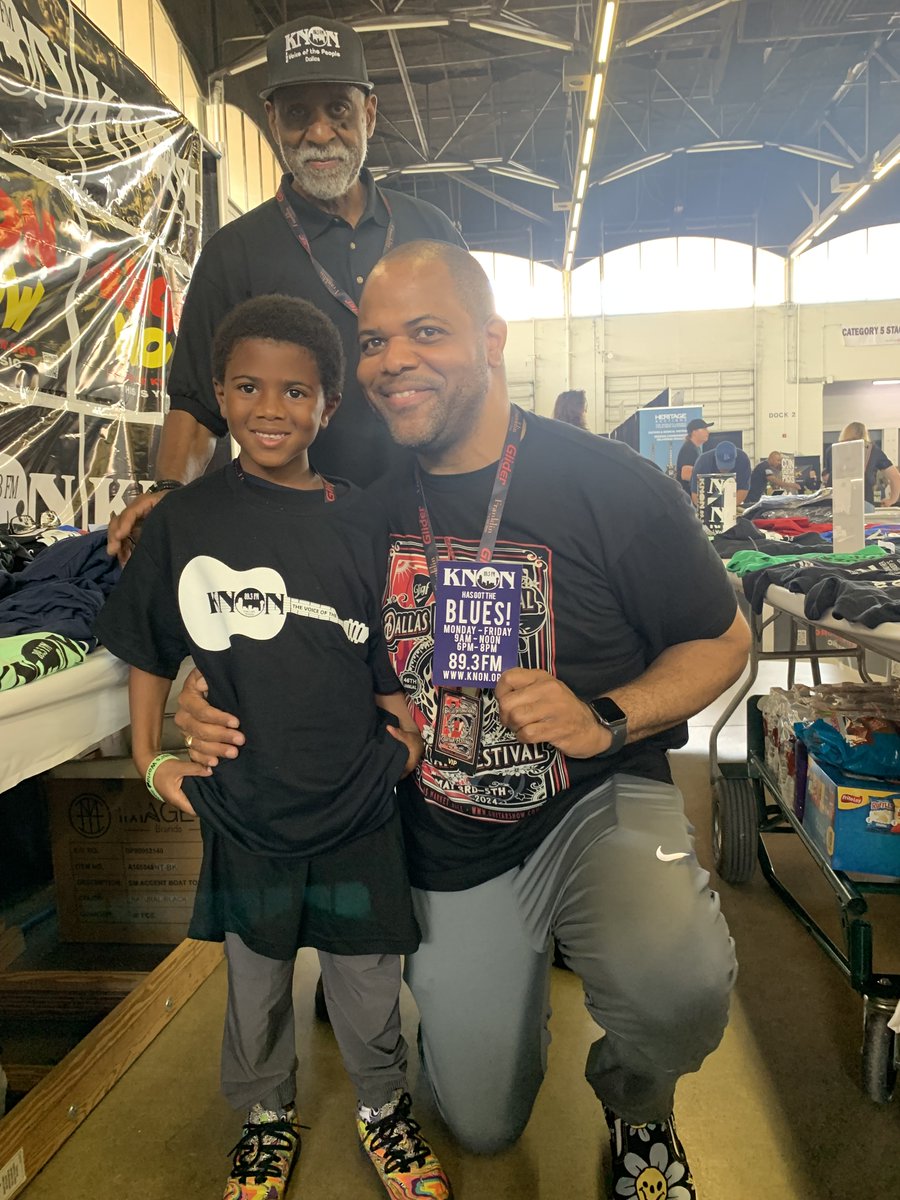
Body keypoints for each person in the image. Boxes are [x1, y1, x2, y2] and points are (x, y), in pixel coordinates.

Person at [176, 242, 750, 1198]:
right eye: (373, 341)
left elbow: (723, 642)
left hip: (589, 802)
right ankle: (504, 1002)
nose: (393, 359)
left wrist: (606, 715)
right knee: (480, 1126)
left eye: (427, 332)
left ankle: (636, 1102)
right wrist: (203, 691)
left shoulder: (608, 485)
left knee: (677, 991)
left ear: (492, 339)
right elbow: (269, 611)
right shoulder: (357, 508)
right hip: (440, 832)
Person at [94, 296, 451, 1200]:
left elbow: (389, 657)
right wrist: (151, 758)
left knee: (368, 975)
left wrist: (404, 745)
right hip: (245, 808)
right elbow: (145, 645)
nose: (270, 409)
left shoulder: (363, 518)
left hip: (358, 806)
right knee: (254, 977)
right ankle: (265, 1116)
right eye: (248, 387)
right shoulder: (185, 520)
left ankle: (383, 1108)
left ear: (330, 405)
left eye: (297, 391)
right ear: (218, 393)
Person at [106, 14, 465, 563]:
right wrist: (171, 494)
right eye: (298, 113)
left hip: (432, 518)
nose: (319, 133)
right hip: (292, 534)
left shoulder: (432, 231)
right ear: (273, 120)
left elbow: (474, 368)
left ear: (369, 112)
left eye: (338, 109)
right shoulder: (234, 252)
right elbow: (198, 405)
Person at [825, 422, 900, 507]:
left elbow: (827, 477)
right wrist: (892, 500)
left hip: (835, 504)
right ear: (865, 434)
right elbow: (895, 477)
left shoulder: (832, 450)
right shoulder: (872, 450)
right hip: (864, 502)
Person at [691, 439, 752, 506]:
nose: (725, 471)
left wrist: (729, 508)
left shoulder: (743, 460)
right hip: (707, 495)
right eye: (722, 466)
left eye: (728, 467)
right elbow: (695, 494)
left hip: (731, 495)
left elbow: (743, 490)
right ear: (715, 456)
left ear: (735, 457)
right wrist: (705, 510)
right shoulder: (702, 462)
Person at [675, 417, 713, 496]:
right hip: (688, 497)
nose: (708, 432)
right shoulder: (689, 449)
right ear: (694, 432)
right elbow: (685, 474)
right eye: (704, 429)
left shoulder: (695, 448)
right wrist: (708, 483)